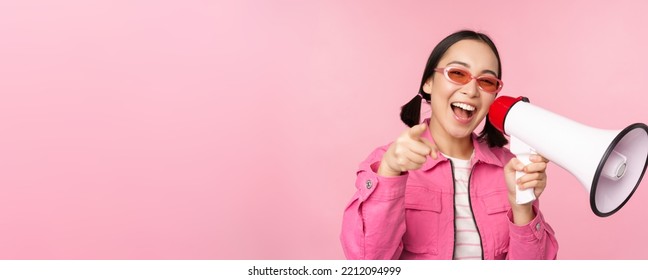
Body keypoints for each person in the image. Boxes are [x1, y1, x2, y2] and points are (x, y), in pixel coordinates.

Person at [340, 30, 558, 260]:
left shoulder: (510, 168)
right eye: (457, 73)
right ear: (428, 83)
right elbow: (366, 263)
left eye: (486, 81)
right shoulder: (386, 163)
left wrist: (522, 207)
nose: (471, 91)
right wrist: (390, 175)